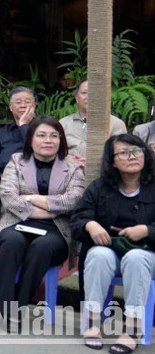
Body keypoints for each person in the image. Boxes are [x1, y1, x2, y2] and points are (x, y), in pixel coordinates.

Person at [0, 116, 84, 333]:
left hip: (56, 228)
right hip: (17, 221)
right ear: (31, 139)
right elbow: (8, 196)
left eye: (53, 135)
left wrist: (30, 198)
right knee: (10, 243)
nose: (47, 140)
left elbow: (73, 200)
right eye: (41, 135)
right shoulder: (16, 161)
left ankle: (18, 307)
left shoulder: (73, 168)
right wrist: (45, 208)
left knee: (42, 248)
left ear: (61, 140)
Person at [71, 134, 155, 352]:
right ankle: (92, 323)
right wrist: (91, 225)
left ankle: (132, 328)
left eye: (137, 151)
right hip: (110, 254)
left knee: (136, 258)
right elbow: (79, 217)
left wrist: (147, 230)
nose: (132, 156)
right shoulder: (100, 187)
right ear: (113, 160)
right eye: (124, 153)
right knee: (99, 254)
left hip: (147, 256)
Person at [59, 79, 127, 167]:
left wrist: (93, 163)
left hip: (102, 175)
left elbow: (122, 155)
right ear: (76, 98)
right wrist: (67, 159)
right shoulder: (63, 123)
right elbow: (55, 152)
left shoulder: (116, 124)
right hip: (68, 173)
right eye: (84, 93)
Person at [0, 86, 37, 171]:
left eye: (27, 102)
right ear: (11, 107)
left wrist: (23, 126)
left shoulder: (44, 128)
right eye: (18, 102)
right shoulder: (1, 133)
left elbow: (36, 149)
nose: (23, 105)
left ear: (34, 106)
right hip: (3, 177)